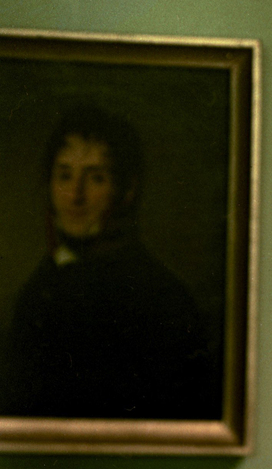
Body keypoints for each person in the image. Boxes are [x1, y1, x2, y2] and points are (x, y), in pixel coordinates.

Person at [1, 104, 218, 421]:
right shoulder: (38, 291)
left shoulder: (162, 299)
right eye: (64, 176)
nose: (75, 196)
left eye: (96, 178)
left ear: (126, 191)